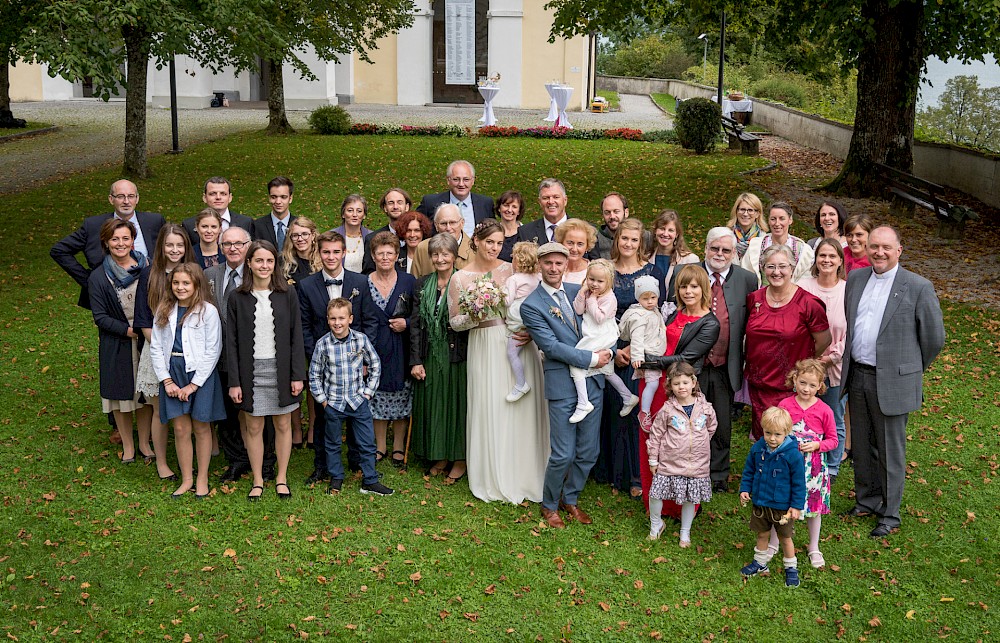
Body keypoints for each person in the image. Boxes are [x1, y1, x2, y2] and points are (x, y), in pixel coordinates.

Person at [841, 226, 945, 538]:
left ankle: (890, 513)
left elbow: (934, 339)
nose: (879, 252)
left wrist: (909, 368)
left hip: (892, 380)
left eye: (886, 247)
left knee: (890, 449)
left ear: (899, 250)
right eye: (874, 246)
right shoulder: (856, 279)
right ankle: (867, 500)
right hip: (857, 374)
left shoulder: (917, 287)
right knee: (861, 442)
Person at [449, 220, 548, 502]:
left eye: (499, 243)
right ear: (476, 242)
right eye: (489, 242)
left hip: (517, 340)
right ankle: (494, 473)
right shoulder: (460, 278)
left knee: (523, 408)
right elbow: (454, 322)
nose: (494, 248)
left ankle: (527, 473)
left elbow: (533, 298)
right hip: (483, 344)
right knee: (491, 404)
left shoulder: (510, 268)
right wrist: (474, 315)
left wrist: (530, 330)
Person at [520, 242, 611, 528]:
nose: (554, 268)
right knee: (563, 453)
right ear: (540, 265)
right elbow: (551, 346)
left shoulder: (580, 292)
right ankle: (549, 505)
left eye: (560, 263)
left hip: (593, 383)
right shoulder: (531, 305)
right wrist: (592, 358)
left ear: (566, 264)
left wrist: (611, 350)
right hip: (562, 384)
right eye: (548, 263)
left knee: (589, 451)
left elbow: (604, 324)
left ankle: (570, 499)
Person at [225, 241, 306, 502]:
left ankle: (281, 477)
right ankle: (258, 479)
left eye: (269, 261)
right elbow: (232, 342)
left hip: (280, 369)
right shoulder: (237, 297)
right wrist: (234, 381)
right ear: (248, 263)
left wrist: (297, 375)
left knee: (283, 423)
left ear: (275, 264)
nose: (264, 266)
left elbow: (296, 337)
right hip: (251, 371)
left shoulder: (287, 294)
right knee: (254, 426)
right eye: (259, 260)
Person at [298, 231, 376, 486]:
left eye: (335, 251)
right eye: (326, 252)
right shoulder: (307, 286)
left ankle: (358, 463)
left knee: (357, 415)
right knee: (324, 420)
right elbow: (305, 327)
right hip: (324, 363)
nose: (331, 257)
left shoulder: (360, 282)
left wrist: (362, 359)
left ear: (344, 253)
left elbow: (369, 320)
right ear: (318, 254)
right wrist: (317, 361)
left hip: (354, 361)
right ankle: (323, 467)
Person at [596, 218, 665, 497]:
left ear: (641, 243)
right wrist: (615, 349)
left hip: (642, 352)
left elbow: (657, 312)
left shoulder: (652, 271)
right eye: (624, 238)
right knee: (615, 408)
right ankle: (614, 473)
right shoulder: (606, 270)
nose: (628, 244)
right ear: (617, 240)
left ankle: (637, 476)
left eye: (634, 240)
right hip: (611, 345)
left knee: (638, 412)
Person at [150, 263, 226, 499]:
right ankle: (186, 479)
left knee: (201, 426)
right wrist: (167, 380)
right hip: (173, 371)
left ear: (196, 285)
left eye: (186, 283)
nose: (180, 287)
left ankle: (202, 478)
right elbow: (155, 347)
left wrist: (194, 384)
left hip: (199, 373)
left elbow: (213, 349)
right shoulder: (165, 309)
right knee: (181, 428)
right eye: (176, 283)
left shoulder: (207, 311)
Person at [694, 228, 758, 492]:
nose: (719, 254)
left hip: (725, 365)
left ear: (734, 253)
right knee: (691, 419)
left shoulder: (747, 279)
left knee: (720, 422)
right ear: (705, 249)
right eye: (714, 249)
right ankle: (692, 470)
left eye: (726, 250)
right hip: (693, 364)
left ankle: (718, 475)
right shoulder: (688, 273)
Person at [744, 244, 831, 439]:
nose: (776, 272)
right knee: (764, 437)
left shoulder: (809, 303)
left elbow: (824, 340)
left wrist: (803, 363)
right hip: (759, 384)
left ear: (792, 268)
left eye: (782, 266)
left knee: (790, 440)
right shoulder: (754, 299)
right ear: (763, 269)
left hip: (791, 386)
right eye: (770, 266)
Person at [309, 298, 394, 496]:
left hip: (358, 401)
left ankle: (370, 480)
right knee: (332, 443)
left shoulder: (361, 340)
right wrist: (323, 400)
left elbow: (375, 364)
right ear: (327, 320)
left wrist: (368, 393)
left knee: (366, 441)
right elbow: (314, 374)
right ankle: (336, 477)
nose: (337, 323)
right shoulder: (323, 344)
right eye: (333, 319)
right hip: (334, 403)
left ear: (350, 319)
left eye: (341, 318)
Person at [135, 223, 196, 479]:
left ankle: (193, 455)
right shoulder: (150, 275)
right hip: (157, 352)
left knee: (190, 407)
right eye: (169, 245)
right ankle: (162, 462)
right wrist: (164, 352)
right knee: (160, 409)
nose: (174, 249)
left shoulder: (194, 272)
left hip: (189, 352)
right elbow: (142, 321)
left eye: (179, 245)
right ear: (161, 246)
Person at [88, 218, 150, 464]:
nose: (121, 243)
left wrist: (146, 330)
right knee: (121, 398)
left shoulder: (147, 267)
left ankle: (145, 443)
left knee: (145, 395)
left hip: (147, 340)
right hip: (117, 342)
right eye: (115, 239)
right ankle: (128, 446)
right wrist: (128, 331)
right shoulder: (99, 277)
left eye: (126, 238)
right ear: (106, 242)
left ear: (133, 240)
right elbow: (100, 316)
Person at [51, 179, 165, 308]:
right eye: (120, 196)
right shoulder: (93, 226)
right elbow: (59, 251)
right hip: (110, 300)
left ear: (137, 198)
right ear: (111, 199)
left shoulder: (154, 221)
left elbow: (171, 250)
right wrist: (89, 280)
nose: (126, 201)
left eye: (131, 196)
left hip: (151, 294)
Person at [409, 234, 468, 481]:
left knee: (455, 407)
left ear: (454, 256)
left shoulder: (464, 281)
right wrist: (415, 360)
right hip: (430, 354)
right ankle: (439, 454)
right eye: (435, 254)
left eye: (445, 254)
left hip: (456, 355)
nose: (440, 258)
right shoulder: (422, 284)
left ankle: (460, 459)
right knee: (434, 405)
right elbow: (415, 324)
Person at [203, 227, 255, 484]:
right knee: (227, 413)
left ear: (248, 245)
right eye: (227, 244)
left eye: (238, 243)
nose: (233, 248)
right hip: (219, 356)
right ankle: (236, 460)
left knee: (254, 411)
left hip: (253, 357)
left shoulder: (259, 273)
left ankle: (262, 459)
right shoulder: (209, 275)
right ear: (220, 248)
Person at [646, 362, 717, 547]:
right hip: (669, 462)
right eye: (677, 384)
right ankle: (656, 524)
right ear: (670, 386)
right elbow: (656, 434)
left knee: (689, 498)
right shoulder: (667, 410)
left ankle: (685, 532)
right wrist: (653, 459)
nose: (681, 387)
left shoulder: (705, 408)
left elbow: (711, 428)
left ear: (693, 382)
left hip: (696, 464)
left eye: (685, 382)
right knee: (656, 494)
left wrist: (698, 444)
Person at [777, 359, 837, 568]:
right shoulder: (785, 405)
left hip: (813, 468)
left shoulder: (824, 410)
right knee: (782, 502)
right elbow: (775, 430)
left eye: (813, 385)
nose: (806, 389)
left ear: (820, 386)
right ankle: (776, 542)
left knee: (813, 507)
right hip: (787, 464)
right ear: (794, 379)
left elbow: (833, 440)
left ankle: (814, 547)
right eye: (803, 383)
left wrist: (817, 445)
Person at [797, 239, 848, 483]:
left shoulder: (848, 291)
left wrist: (827, 359)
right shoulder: (802, 287)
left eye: (832, 256)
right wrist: (806, 363)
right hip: (803, 367)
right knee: (802, 413)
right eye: (822, 255)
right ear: (815, 259)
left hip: (834, 368)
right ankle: (799, 459)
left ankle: (832, 467)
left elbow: (850, 333)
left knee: (833, 416)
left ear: (840, 261)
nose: (826, 260)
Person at [739, 406, 806, 588]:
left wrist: (796, 506)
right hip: (761, 502)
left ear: (786, 432)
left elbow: (799, 483)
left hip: (782, 506)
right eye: (768, 433)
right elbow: (749, 471)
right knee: (762, 534)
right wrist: (745, 489)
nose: (772, 438)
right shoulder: (758, 448)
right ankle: (760, 563)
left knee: (785, 538)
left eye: (777, 434)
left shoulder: (792, 455)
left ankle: (791, 567)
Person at [366, 232, 417, 467]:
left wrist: (406, 323)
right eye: (380, 253)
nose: (385, 257)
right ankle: (380, 446)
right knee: (376, 396)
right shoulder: (363, 283)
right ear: (373, 256)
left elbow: (418, 315)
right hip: (374, 347)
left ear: (397, 255)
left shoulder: (409, 281)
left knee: (402, 395)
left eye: (390, 253)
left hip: (402, 346)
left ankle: (398, 445)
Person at [568, 260, 638, 423]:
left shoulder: (609, 298)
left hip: (601, 334)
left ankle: (583, 403)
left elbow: (599, 318)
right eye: (591, 279)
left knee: (576, 363)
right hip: (591, 331)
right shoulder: (588, 292)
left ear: (609, 282)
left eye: (600, 281)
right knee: (607, 371)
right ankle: (628, 397)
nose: (594, 284)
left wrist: (591, 299)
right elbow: (578, 309)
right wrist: (582, 292)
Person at [618, 276, 667, 430]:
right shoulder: (639, 316)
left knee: (652, 384)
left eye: (653, 297)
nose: (650, 301)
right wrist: (638, 357)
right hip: (647, 356)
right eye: (645, 298)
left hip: (653, 353)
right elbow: (637, 338)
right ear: (638, 298)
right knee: (652, 384)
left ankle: (646, 411)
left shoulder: (653, 310)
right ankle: (644, 412)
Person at [503, 242, 542, 403]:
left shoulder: (514, 279)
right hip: (533, 315)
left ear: (518, 260)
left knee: (511, 352)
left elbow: (507, 301)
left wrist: (499, 291)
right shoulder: (538, 277)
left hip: (518, 318)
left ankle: (521, 383)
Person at [417, 160, 494, 240]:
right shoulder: (430, 202)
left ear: (473, 181)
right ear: (448, 180)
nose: (461, 184)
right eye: (456, 179)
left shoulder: (485, 203)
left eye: (466, 179)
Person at [740, 201, 814, 285]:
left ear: (790, 220)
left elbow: (807, 279)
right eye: (773, 219)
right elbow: (745, 274)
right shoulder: (756, 245)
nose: (777, 223)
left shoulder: (802, 249)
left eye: (782, 218)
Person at [181, 176, 253, 245]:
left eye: (223, 194)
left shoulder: (246, 223)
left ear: (230, 197)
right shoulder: (189, 225)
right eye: (213, 194)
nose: (218, 197)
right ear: (204, 197)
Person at [410, 204, 474, 277]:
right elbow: (414, 283)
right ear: (436, 226)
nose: (448, 228)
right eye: (443, 223)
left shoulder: (475, 250)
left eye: (452, 222)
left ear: (462, 223)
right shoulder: (423, 248)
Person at [361, 187, 412, 274]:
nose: (395, 206)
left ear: (406, 207)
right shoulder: (372, 238)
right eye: (391, 203)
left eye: (399, 202)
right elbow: (368, 274)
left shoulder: (416, 237)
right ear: (385, 208)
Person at [593, 192, 652, 260]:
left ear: (626, 212)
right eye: (607, 212)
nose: (612, 216)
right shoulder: (595, 240)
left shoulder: (645, 236)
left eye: (616, 211)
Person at [651, 209, 699, 291]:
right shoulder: (644, 257)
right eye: (662, 229)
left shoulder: (690, 260)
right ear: (655, 230)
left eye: (670, 230)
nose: (665, 234)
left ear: (676, 234)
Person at [518, 178, 572, 245]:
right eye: (545, 198)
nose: (551, 202)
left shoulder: (583, 230)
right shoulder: (525, 232)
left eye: (556, 197)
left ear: (565, 200)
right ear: (539, 202)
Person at [251, 176, 297, 253]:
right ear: (269, 198)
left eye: (283, 197)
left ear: (290, 198)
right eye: (274, 197)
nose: (278, 201)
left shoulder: (299, 225)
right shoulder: (257, 225)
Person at [281, 217, 321, 292]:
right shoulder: (283, 262)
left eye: (305, 234)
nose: (300, 239)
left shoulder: (324, 260)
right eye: (295, 235)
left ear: (313, 236)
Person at [334, 194, 372, 273]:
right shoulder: (332, 236)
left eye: (359, 211)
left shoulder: (372, 237)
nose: (355, 215)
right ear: (343, 214)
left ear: (364, 215)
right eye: (350, 210)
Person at [554, 218, 595, 284]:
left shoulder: (594, 272)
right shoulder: (552, 268)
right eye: (570, 243)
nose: (574, 249)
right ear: (561, 242)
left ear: (587, 247)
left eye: (580, 244)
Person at [726, 192, 767, 260]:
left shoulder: (763, 240)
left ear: (757, 214)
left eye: (750, 210)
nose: (745, 214)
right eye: (742, 209)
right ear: (736, 211)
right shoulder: (726, 235)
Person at [495, 190, 525, 263]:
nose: (509, 210)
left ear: (519, 211)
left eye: (514, 207)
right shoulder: (492, 232)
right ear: (499, 208)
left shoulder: (526, 232)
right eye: (506, 205)